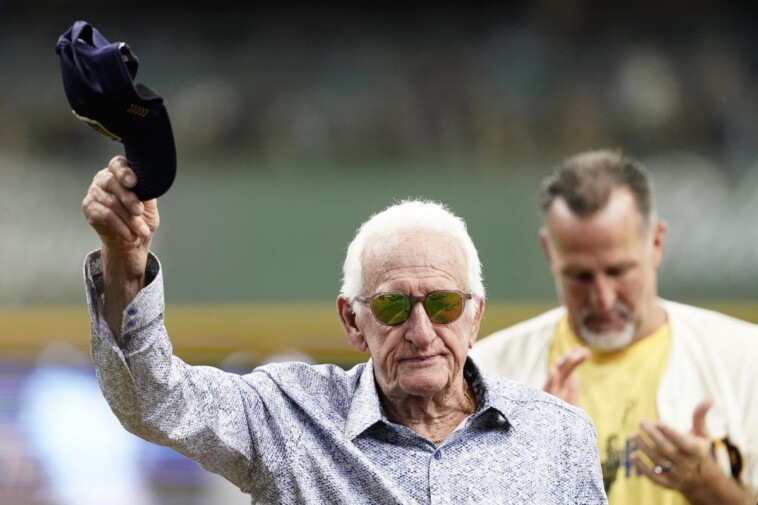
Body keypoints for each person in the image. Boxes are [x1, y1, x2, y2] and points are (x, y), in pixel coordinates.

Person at [80, 156, 607, 504]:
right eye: (394, 307)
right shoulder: (289, 416)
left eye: (443, 304)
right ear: (352, 321)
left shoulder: (558, 436)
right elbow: (152, 398)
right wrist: (124, 258)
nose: (422, 332)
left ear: (476, 316)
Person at [471, 150, 758, 505]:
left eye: (618, 271)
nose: (603, 298)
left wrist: (709, 486)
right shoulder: (488, 374)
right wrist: (534, 466)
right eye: (580, 276)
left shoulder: (745, 360)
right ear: (550, 253)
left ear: (656, 242)